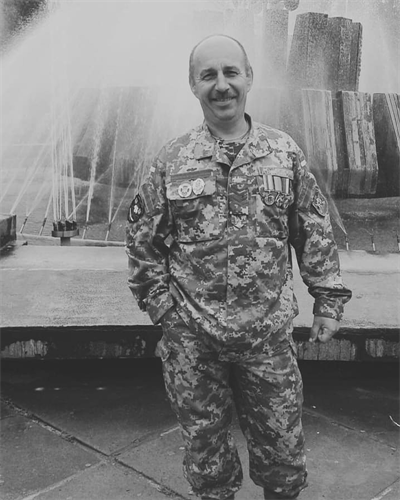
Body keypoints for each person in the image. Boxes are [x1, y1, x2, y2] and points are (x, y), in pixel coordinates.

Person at [126, 34, 352, 500]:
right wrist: (164, 311)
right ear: (193, 84)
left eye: (231, 72)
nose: (222, 85)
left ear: (249, 77)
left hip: (266, 337)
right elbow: (142, 241)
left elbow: (313, 229)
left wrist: (327, 301)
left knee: (283, 456)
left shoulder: (283, 152)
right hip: (193, 342)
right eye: (208, 75)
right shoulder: (172, 159)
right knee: (207, 459)